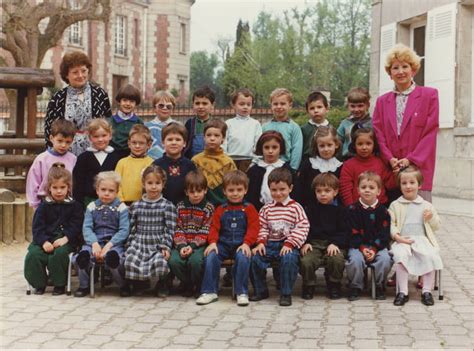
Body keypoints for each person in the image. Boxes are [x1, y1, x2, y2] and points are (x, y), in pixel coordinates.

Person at [373, 43, 439, 203]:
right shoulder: (382, 101)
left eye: (405, 66)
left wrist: (411, 159)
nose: (400, 71)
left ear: (413, 70)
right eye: (395, 68)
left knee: (419, 218)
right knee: (393, 219)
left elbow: (430, 133)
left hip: (418, 167)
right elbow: (378, 132)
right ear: (390, 73)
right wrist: (390, 158)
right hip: (392, 169)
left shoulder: (429, 95)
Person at [196, 170, 259, 306]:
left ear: (245, 190)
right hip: (223, 244)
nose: (235, 193)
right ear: (224, 191)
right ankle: (209, 291)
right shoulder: (220, 209)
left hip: (241, 244)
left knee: (243, 257)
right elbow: (214, 227)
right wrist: (212, 243)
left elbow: (254, 228)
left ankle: (241, 292)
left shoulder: (249, 209)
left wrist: (247, 243)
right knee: (211, 256)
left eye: (239, 190)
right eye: (231, 190)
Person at [250, 167, 309, 306]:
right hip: (269, 243)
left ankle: (286, 293)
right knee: (255, 258)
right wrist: (261, 243)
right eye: (274, 190)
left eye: (282, 189)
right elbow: (263, 227)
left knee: (289, 259)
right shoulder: (266, 208)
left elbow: (302, 226)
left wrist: (290, 244)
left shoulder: (296, 208)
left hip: (287, 244)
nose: (278, 193)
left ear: (290, 188)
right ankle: (261, 290)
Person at [24, 163, 83, 295]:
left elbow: (76, 225)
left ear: (68, 188)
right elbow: (37, 227)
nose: (59, 191)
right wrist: (44, 241)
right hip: (45, 239)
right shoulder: (43, 206)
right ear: (48, 188)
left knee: (60, 254)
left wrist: (66, 238)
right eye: (55, 187)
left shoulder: (75, 206)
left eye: (62, 187)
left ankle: (59, 284)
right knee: (33, 255)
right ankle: (39, 284)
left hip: (65, 240)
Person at [388, 166, 443, 306]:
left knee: (430, 255)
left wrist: (430, 218)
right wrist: (397, 237)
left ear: (419, 185)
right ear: (399, 186)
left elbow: (436, 226)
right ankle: (403, 292)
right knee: (401, 256)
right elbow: (391, 224)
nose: (408, 186)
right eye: (404, 183)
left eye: (412, 183)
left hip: (421, 239)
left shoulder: (426, 205)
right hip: (403, 239)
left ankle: (426, 291)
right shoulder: (395, 205)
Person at [73, 171, 130, 297]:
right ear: (97, 190)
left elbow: (124, 230)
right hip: (94, 241)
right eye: (103, 189)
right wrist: (94, 243)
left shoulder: (121, 208)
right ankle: (84, 285)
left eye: (111, 190)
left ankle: (123, 285)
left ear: (116, 192)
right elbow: (87, 227)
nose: (106, 193)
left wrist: (109, 245)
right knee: (81, 257)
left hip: (114, 243)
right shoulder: (91, 207)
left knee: (115, 258)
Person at [44, 50, 112, 155]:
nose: (80, 75)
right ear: (66, 75)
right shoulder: (58, 98)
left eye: (83, 71)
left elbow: (108, 123)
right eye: (75, 72)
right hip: (66, 151)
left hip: (95, 151)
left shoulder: (100, 94)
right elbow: (49, 130)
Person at [123, 165, 177, 296]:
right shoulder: (136, 205)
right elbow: (132, 227)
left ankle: (162, 284)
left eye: (157, 183)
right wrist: (129, 244)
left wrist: (166, 246)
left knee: (160, 261)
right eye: (150, 183)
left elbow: (170, 229)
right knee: (131, 259)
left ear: (163, 184)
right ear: (143, 184)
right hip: (140, 241)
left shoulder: (167, 205)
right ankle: (139, 283)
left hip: (157, 242)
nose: (153, 187)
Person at [300, 173, 349, 300]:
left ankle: (334, 285)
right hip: (314, 243)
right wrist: (306, 242)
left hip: (333, 244)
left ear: (335, 192)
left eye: (327, 191)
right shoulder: (310, 209)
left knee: (336, 259)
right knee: (306, 261)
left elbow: (345, 231)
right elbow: (304, 227)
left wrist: (335, 243)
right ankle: (308, 285)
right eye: (319, 191)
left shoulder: (341, 211)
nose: (323, 194)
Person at [345, 171, 392, 301]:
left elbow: (384, 233)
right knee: (354, 260)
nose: (367, 190)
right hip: (358, 245)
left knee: (385, 259)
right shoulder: (352, 210)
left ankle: (379, 285)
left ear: (379, 191)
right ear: (358, 190)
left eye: (371, 188)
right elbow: (352, 232)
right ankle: (355, 285)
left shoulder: (384, 211)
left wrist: (374, 248)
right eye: (363, 187)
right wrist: (362, 248)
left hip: (377, 246)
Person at [168, 171, 214, 297]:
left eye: (199, 191)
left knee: (195, 261)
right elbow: (178, 228)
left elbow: (206, 230)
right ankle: (187, 283)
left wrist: (193, 246)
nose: (196, 195)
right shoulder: (180, 206)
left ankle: (198, 284)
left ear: (205, 191)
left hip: (199, 245)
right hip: (182, 243)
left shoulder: (208, 208)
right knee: (174, 261)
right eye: (192, 192)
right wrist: (182, 246)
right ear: (186, 192)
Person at [339, 127, 396, 207]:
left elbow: (390, 184)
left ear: (374, 145)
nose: (364, 147)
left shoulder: (380, 162)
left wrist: (396, 173)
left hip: (380, 206)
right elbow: (345, 188)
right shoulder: (348, 165)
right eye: (360, 144)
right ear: (354, 145)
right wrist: (351, 207)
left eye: (368, 143)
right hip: (358, 208)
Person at [26, 119, 77, 209]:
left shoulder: (73, 159)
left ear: (72, 141)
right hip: (45, 203)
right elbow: (33, 183)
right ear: (51, 138)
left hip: (68, 204)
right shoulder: (41, 159)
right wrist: (35, 205)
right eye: (60, 141)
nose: (63, 145)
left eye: (67, 142)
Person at [73, 119, 120, 207]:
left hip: (112, 201)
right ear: (90, 137)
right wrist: (79, 205)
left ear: (110, 135)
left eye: (104, 135)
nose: (100, 139)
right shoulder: (83, 158)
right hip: (89, 201)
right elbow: (78, 184)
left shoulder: (116, 157)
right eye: (96, 136)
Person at [246, 131, 297, 211]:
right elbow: (249, 195)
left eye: (274, 147)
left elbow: (295, 192)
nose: (270, 151)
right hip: (259, 210)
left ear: (281, 148)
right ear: (261, 148)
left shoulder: (287, 169)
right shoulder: (254, 171)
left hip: (284, 210)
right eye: (266, 147)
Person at [192, 119, 237, 206]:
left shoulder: (228, 162)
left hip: (223, 203)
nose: (212, 138)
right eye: (209, 135)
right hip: (201, 202)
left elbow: (233, 184)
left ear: (223, 139)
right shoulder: (196, 160)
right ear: (204, 137)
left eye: (216, 135)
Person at [298, 126, 342, 208]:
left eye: (329, 145)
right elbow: (300, 188)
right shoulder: (308, 164)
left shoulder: (340, 166)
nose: (326, 149)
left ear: (336, 145)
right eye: (322, 146)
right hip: (311, 210)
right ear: (316, 146)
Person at [153, 123, 196, 205]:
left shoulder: (190, 165)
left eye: (178, 139)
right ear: (162, 142)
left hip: (185, 210)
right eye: (170, 139)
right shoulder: (156, 165)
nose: (174, 143)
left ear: (184, 143)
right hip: (162, 208)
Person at [262, 88, 303, 171]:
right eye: (275, 104)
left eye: (283, 104)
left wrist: (293, 169)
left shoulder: (294, 127)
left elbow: (297, 150)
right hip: (266, 165)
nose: (279, 106)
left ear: (290, 105)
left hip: (285, 166)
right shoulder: (264, 127)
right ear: (271, 105)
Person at [224, 88, 262, 171]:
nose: (245, 107)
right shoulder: (228, 123)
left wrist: (254, 162)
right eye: (241, 104)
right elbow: (223, 144)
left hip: (249, 161)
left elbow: (258, 145)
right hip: (230, 161)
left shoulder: (255, 124)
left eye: (248, 104)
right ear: (233, 105)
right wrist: (225, 161)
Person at [115, 124, 154, 204]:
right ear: (129, 143)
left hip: (145, 204)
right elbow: (116, 184)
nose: (137, 146)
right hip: (124, 204)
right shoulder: (122, 162)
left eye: (141, 143)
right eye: (134, 142)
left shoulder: (152, 163)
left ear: (149, 145)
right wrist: (120, 202)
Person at [108, 84, 144, 159]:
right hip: (113, 157)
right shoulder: (110, 121)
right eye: (125, 100)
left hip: (132, 158)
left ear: (136, 104)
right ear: (119, 101)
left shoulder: (139, 122)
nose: (128, 104)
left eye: (132, 101)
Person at [337, 87, 372, 160]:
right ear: (348, 105)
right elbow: (337, 141)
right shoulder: (345, 123)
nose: (356, 109)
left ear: (367, 105)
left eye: (360, 106)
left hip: (367, 159)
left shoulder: (372, 123)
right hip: (347, 159)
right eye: (352, 106)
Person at [146, 91, 178, 160]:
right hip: (151, 162)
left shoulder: (177, 126)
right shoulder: (146, 127)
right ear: (154, 108)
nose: (165, 108)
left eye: (168, 106)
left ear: (173, 109)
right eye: (161, 105)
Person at [184, 86, 215, 158]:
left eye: (204, 103)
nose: (200, 106)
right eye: (197, 103)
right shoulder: (190, 123)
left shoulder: (215, 124)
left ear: (212, 105)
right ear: (193, 105)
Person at [300, 91, 331, 160]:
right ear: (307, 111)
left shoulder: (331, 129)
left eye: (319, 107)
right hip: (308, 162)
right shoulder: (303, 129)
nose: (316, 110)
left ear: (326, 108)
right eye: (312, 108)